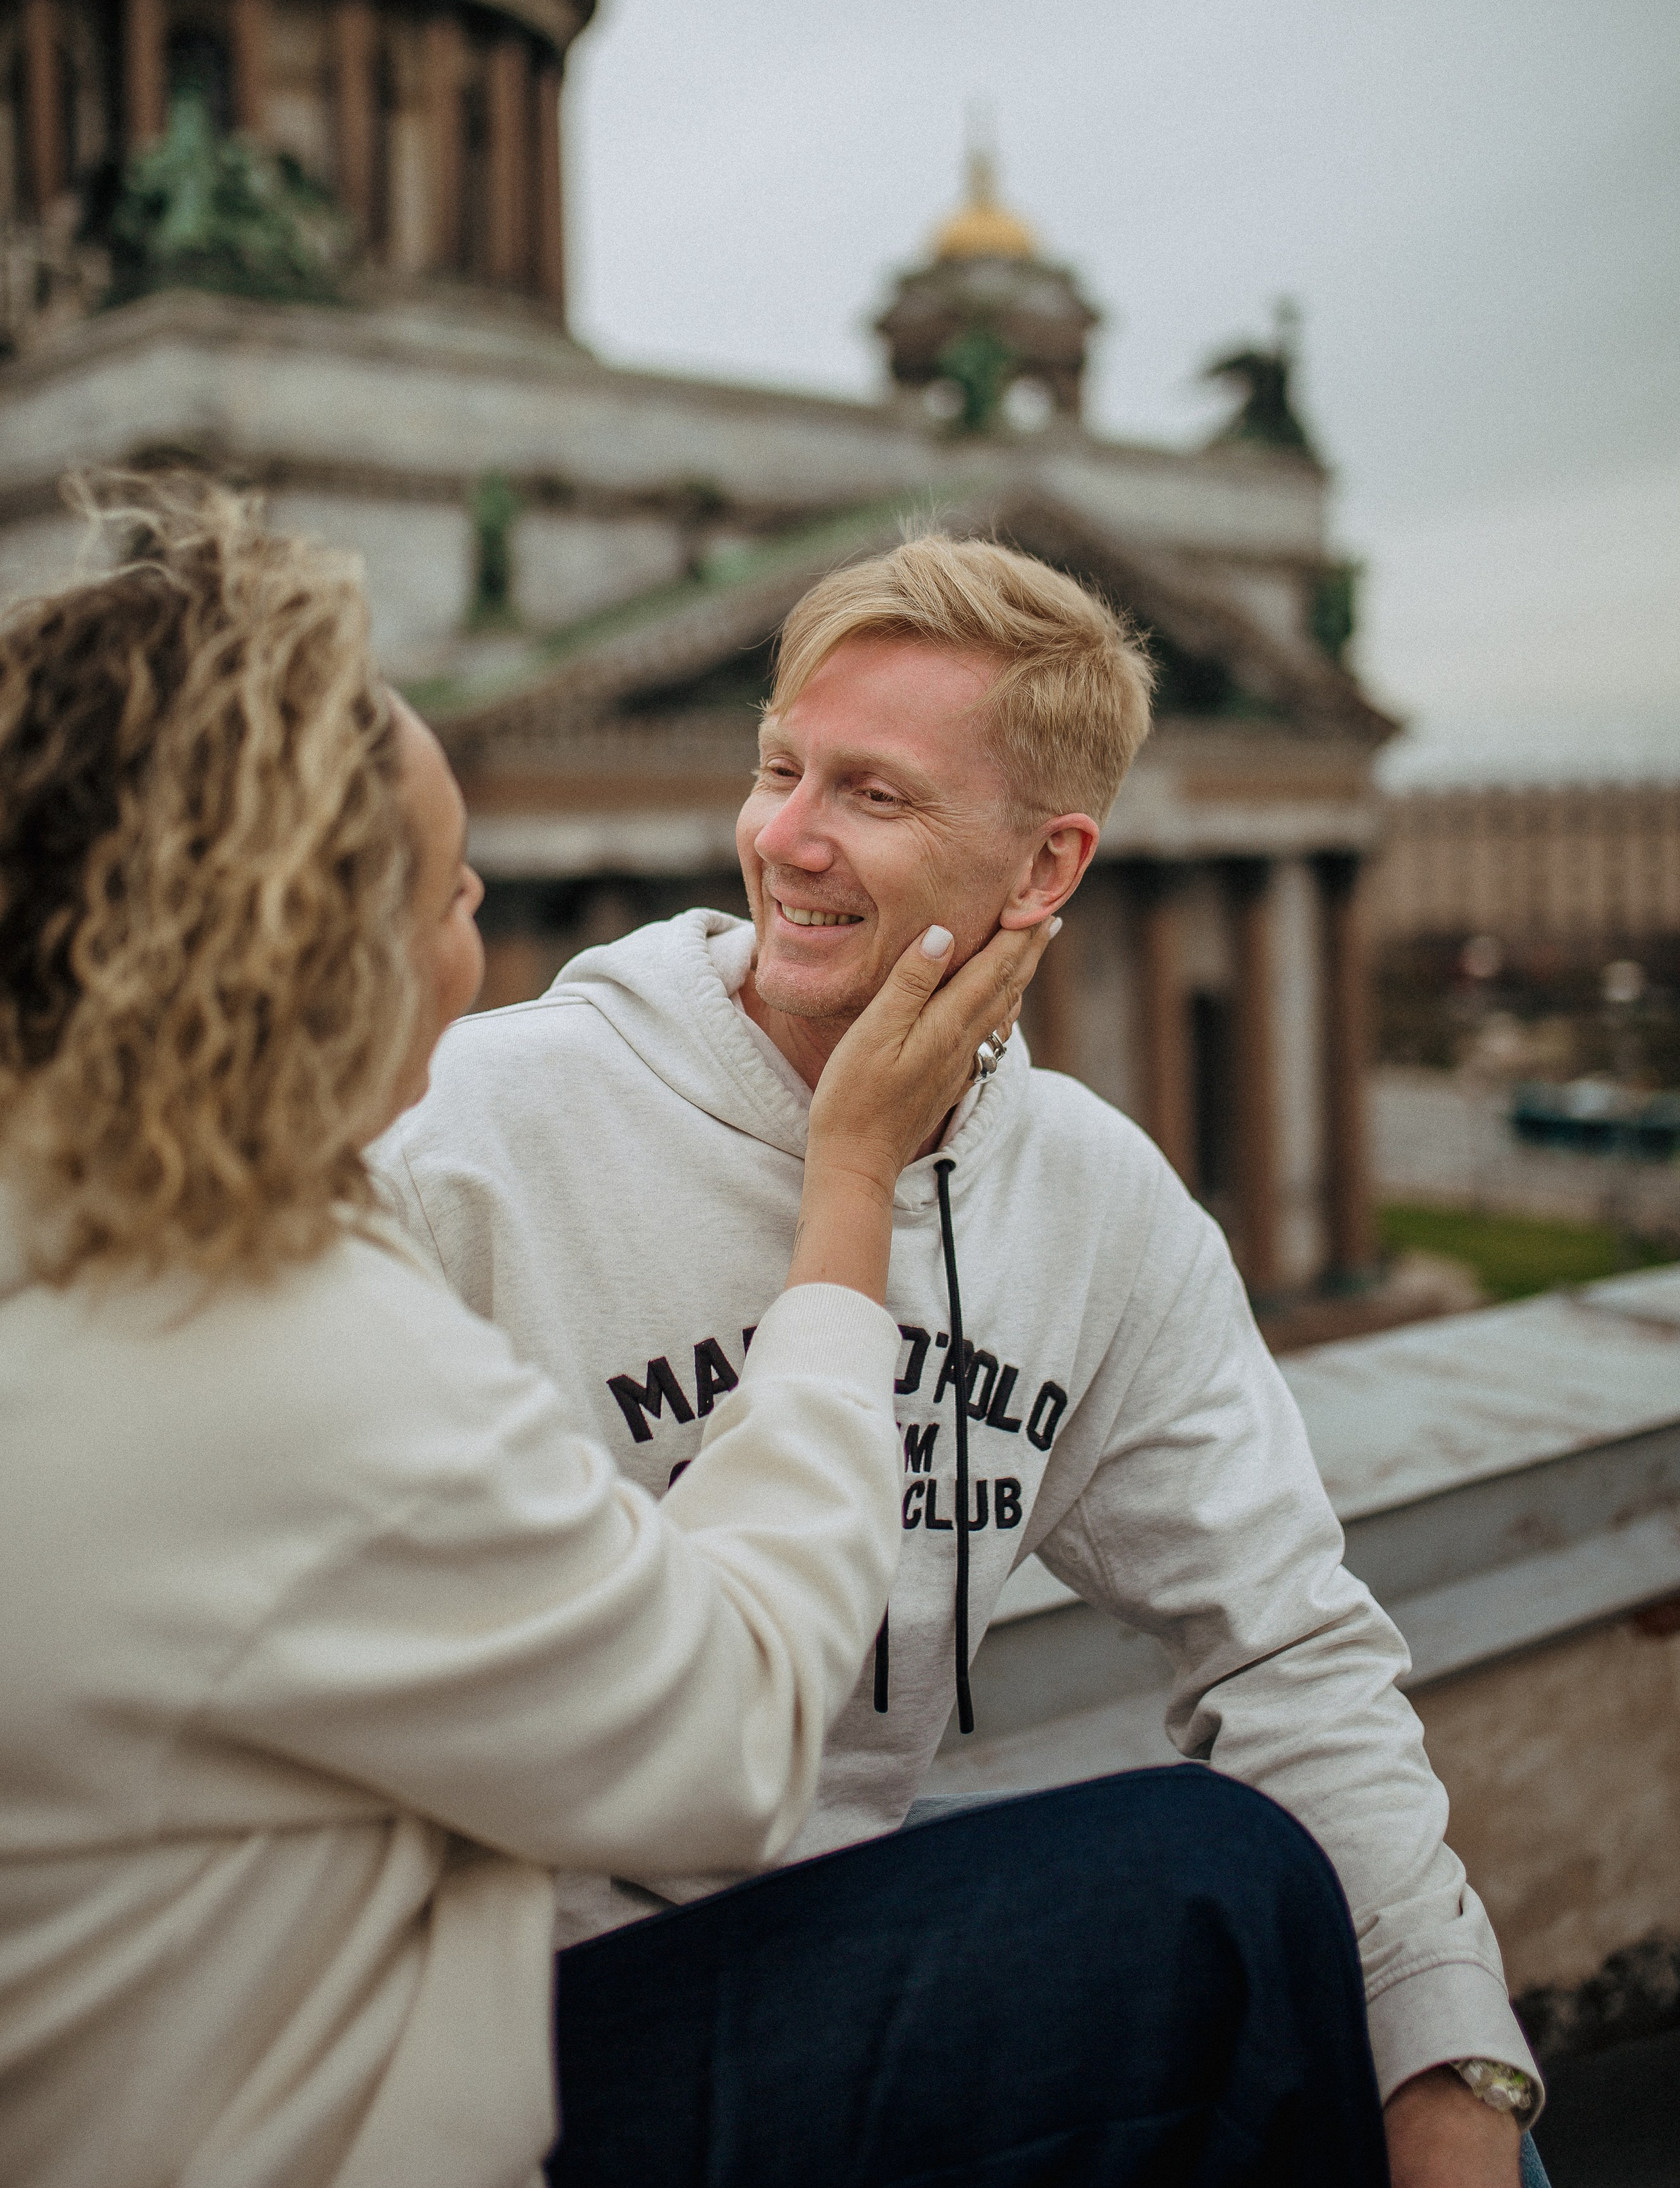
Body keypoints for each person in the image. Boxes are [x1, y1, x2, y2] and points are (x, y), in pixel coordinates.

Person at [379, 534, 1547, 2188]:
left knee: (1383, 2050)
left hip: (827, 1957)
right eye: (778, 767)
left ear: (1046, 863)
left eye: (872, 794)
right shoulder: (469, 1135)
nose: (784, 837)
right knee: (1208, 1887)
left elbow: (1284, 1644)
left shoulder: (1092, 1200)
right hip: (493, 2012)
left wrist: (1454, 2066)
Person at [0, 484, 1051, 2188]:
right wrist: (851, 1179)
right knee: (1206, 1895)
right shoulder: (269, 1359)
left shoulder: (99, 1231)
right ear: (298, 960)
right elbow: (734, 1730)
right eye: (444, 887)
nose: (479, 914)